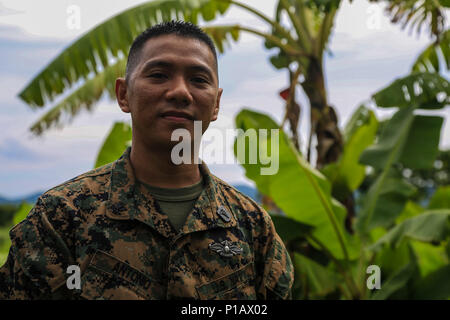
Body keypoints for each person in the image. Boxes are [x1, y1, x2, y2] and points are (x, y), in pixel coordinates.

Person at [0, 21, 294, 300]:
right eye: (158, 75)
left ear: (215, 104)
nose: (180, 91)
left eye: (198, 79)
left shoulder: (253, 227)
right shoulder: (61, 219)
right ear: (123, 94)